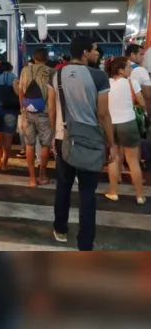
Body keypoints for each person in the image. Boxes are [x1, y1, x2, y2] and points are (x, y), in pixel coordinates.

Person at [48, 37, 117, 251]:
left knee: (63, 186)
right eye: (95, 50)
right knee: (88, 193)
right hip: (90, 140)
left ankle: (60, 227)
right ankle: (85, 242)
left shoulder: (56, 74)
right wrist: (112, 143)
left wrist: (54, 134)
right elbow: (104, 114)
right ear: (85, 52)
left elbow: (51, 109)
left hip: (63, 138)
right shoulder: (99, 76)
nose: (98, 53)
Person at [104, 56, 146, 205]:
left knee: (114, 158)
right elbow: (141, 102)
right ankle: (140, 195)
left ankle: (113, 192)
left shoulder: (106, 83)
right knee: (133, 161)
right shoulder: (131, 83)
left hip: (111, 125)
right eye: (129, 67)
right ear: (121, 70)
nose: (131, 69)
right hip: (128, 123)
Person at [19, 48, 54, 187]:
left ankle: (32, 178)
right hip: (44, 113)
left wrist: (22, 108)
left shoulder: (25, 71)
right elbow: (53, 95)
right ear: (46, 58)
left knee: (29, 144)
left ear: (33, 58)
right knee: (45, 145)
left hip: (27, 112)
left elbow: (21, 91)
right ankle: (42, 175)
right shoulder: (51, 72)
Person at [125, 44, 151, 115]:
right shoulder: (140, 70)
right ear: (133, 54)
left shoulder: (117, 66)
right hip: (134, 112)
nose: (143, 57)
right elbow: (148, 96)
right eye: (141, 54)